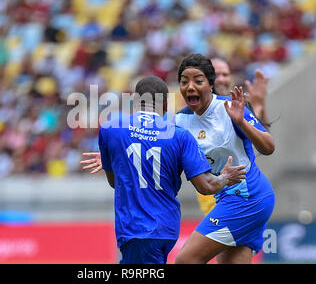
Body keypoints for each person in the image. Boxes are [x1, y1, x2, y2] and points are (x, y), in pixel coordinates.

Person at [90, 76, 246, 264]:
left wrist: (121, 164)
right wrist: (225, 177)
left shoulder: (111, 128)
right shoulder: (180, 135)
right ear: (165, 105)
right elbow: (206, 186)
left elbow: (114, 182)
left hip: (136, 227)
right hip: (166, 226)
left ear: (134, 101)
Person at [174, 53, 275, 264]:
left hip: (248, 197)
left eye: (198, 81)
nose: (190, 87)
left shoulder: (229, 108)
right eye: (184, 82)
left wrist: (242, 123)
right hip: (225, 198)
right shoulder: (180, 121)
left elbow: (268, 147)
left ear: (210, 84)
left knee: (185, 260)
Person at [196, 57, 271, 216]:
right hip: (215, 199)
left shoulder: (233, 107)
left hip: (239, 198)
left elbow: (261, 138)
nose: (222, 79)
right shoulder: (195, 114)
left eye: (226, 74)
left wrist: (258, 105)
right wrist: (255, 106)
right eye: (218, 75)